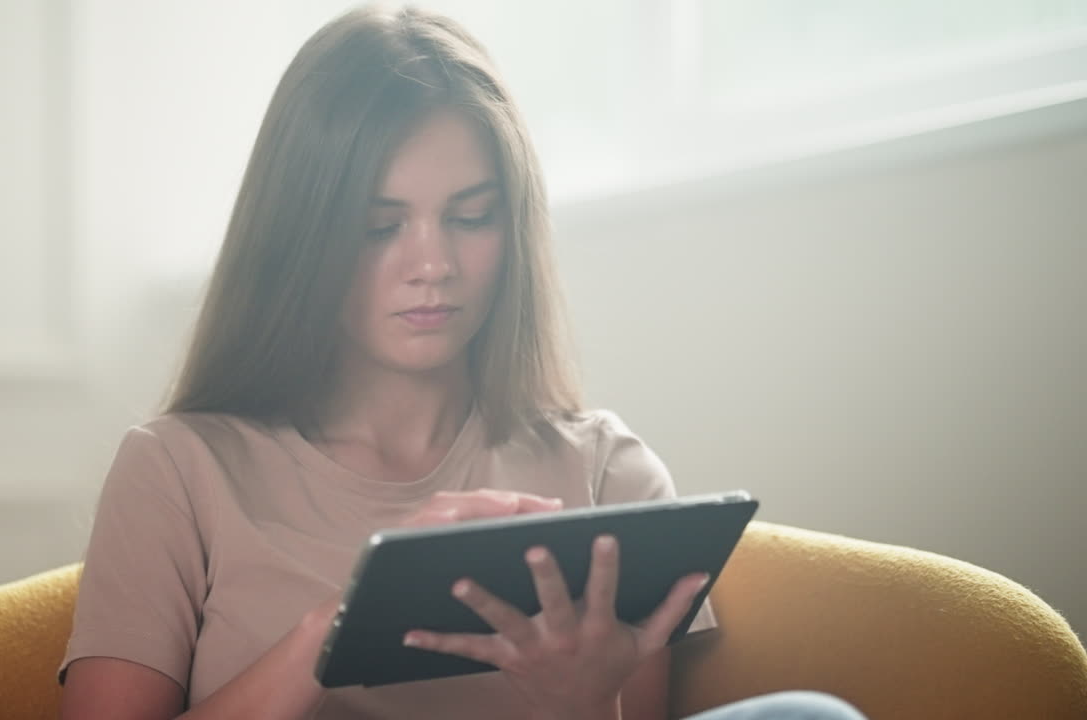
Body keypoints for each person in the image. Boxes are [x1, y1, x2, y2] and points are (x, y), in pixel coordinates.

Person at [58, 5, 866, 720]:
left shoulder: (605, 474)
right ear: (300, 235)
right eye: (381, 226)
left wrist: (584, 705)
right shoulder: (178, 469)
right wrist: (344, 618)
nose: (433, 263)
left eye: (470, 217)